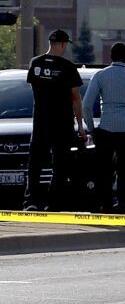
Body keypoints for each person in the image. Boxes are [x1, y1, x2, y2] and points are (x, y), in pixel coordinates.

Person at [24, 30, 86, 212]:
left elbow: (34, 88)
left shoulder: (35, 63)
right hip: (62, 123)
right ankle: (53, 203)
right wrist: (80, 126)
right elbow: (76, 98)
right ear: (63, 44)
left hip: (41, 122)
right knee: (60, 164)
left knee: (35, 163)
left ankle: (32, 202)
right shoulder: (68, 67)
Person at [83, 42, 125, 214]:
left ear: (110, 56)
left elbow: (87, 105)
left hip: (107, 129)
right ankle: (122, 204)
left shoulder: (100, 76)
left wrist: (91, 129)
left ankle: (103, 205)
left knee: (104, 170)